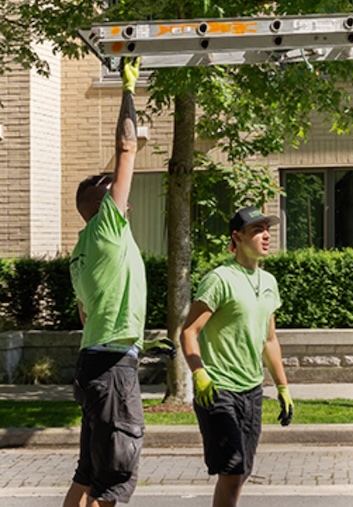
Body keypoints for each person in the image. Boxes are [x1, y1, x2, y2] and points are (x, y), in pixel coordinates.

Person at [64, 56, 157, 507]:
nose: (126, 195)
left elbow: (85, 313)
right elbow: (125, 152)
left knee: (88, 474)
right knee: (113, 483)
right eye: (116, 191)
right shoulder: (107, 228)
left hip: (93, 365)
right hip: (114, 368)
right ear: (105, 206)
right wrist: (127, 89)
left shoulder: (82, 249)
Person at [180, 206, 295, 507]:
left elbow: (269, 339)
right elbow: (189, 331)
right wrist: (199, 373)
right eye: (257, 230)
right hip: (218, 389)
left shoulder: (269, 283)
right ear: (237, 237)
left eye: (267, 229)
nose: (266, 235)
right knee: (232, 470)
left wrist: (282, 387)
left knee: (241, 471)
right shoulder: (219, 280)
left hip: (252, 391)